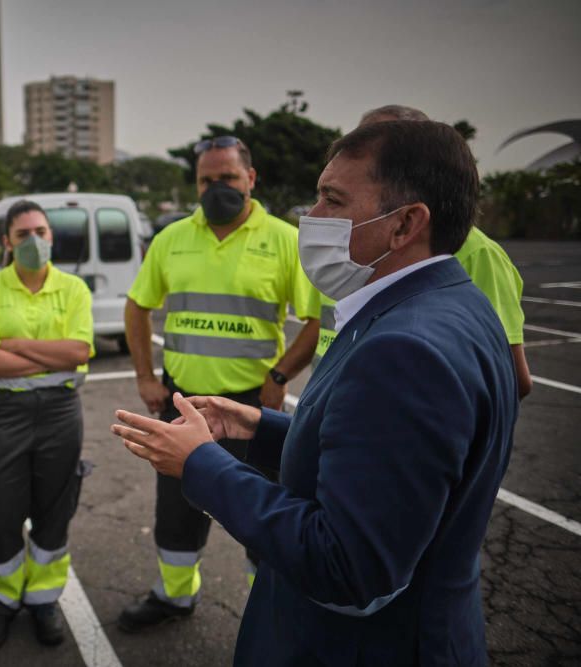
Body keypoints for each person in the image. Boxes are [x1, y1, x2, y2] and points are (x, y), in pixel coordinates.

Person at [113, 120, 519, 665]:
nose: (312, 217)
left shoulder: (404, 352)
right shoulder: (455, 303)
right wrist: (261, 430)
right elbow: (373, 457)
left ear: (405, 224)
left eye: (332, 198)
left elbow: (346, 566)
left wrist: (200, 465)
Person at [118, 136, 321, 631]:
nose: (216, 189)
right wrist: (146, 376)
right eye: (206, 180)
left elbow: (316, 319)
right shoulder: (171, 238)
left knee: (263, 515)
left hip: (253, 412)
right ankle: (173, 596)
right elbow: (137, 306)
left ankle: (269, 607)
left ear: (251, 179)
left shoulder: (284, 239)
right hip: (183, 405)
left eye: (227, 178)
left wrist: (279, 377)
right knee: (176, 513)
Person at [310, 104, 532, 398]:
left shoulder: (477, 254)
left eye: (334, 200)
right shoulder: (346, 252)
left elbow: (508, 377)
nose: (314, 215)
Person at [0, 200, 94, 650]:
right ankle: (1, 599)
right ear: (7, 242)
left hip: (61, 412)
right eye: (23, 234)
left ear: (51, 236)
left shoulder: (74, 289)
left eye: (41, 231)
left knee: (54, 507)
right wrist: (46, 354)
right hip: (5, 413)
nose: (34, 241)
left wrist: (15, 346)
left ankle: (43, 599)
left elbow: (78, 352)